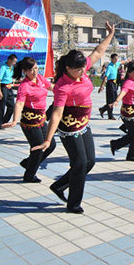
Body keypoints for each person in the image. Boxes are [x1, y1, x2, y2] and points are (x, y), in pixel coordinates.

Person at [31, 22, 115, 214]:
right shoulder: (62, 86)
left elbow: (98, 52)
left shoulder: (81, 68)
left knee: (89, 162)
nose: (81, 74)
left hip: (84, 124)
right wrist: (47, 139)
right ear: (68, 68)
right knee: (78, 163)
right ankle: (73, 204)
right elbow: (57, 113)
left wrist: (110, 34)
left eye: (82, 70)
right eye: (77, 71)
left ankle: (59, 186)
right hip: (69, 127)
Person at [3, 57, 56, 183]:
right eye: (31, 70)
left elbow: (52, 87)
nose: (35, 71)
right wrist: (15, 120)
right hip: (30, 121)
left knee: (51, 145)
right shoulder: (24, 86)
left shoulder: (41, 79)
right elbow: (19, 104)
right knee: (37, 148)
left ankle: (28, 163)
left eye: (36, 68)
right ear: (25, 71)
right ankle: (29, 175)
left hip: (42, 119)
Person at [98, 53, 129, 120]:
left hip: (114, 83)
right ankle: (110, 114)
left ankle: (103, 109)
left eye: (117, 58)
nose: (116, 60)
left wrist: (128, 60)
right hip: (110, 83)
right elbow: (106, 77)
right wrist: (101, 86)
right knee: (110, 100)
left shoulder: (116, 64)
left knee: (115, 99)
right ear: (111, 59)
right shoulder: (109, 67)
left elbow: (121, 62)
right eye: (115, 59)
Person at [0, 54, 17, 129]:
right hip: (3, 87)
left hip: (9, 88)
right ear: (9, 60)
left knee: (12, 106)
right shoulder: (3, 68)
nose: (14, 63)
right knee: (1, 106)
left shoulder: (11, 68)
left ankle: (4, 122)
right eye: (13, 61)